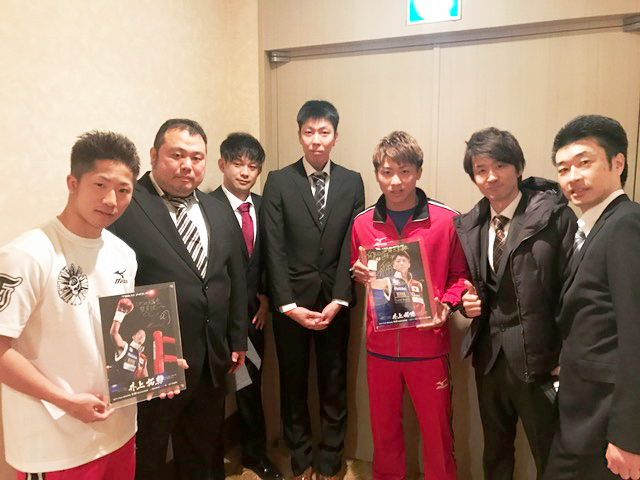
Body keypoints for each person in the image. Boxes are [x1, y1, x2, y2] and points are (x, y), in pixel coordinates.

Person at [109, 119, 248, 480]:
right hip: (153, 362)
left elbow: (235, 276)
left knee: (204, 448)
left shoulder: (217, 208)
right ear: (154, 155)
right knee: (150, 454)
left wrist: (237, 338)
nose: (188, 165)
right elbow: (111, 284)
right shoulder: (126, 206)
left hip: (211, 358)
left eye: (197, 157)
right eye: (177, 155)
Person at [0, 131, 140, 479]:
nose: (111, 200)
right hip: (54, 444)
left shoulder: (124, 254)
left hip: (120, 430)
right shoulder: (27, 255)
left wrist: (156, 369)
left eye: (124, 190)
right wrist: (65, 401)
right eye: (100, 185)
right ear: (72, 183)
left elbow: (118, 334)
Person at [453, 127, 576, 480]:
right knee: (495, 450)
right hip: (489, 356)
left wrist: (566, 354)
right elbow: (469, 283)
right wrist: (465, 302)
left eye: (500, 166)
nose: (491, 177)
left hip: (540, 357)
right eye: (481, 170)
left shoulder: (554, 216)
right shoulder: (471, 224)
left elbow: (573, 288)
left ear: (519, 167)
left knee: (549, 451)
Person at [351, 130, 467, 480]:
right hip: (381, 348)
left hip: (428, 346)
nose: (396, 181)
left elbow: (460, 277)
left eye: (404, 171)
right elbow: (358, 269)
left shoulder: (447, 220)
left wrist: (447, 304)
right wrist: (357, 272)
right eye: (387, 172)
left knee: (437, 435)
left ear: (418, 172)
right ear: (377, 174)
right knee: (384, 433)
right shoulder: (362, 223)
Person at [261, 100, 365, 480]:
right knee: (292, 384)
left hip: (335, 302)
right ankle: (301, 459)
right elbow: (273, 247)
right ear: (299, 135)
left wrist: (340, 298)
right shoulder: (278, 180)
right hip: (290, 305)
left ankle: (330, 461)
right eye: (309, 132)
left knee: (334, 383)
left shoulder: (352, 181)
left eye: (324, 132)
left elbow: (351, 243)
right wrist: (287, 305)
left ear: (335, 136)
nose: (316, 140)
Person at [543, 115, 640, 480]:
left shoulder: (626, 225)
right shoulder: (592, 227)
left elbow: (636, 333)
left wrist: (629, 436)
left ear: (618, 163)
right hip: (583, 406)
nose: (573, 177)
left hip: (604, 416)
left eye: (584, 162)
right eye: (563, 169)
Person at [210, 132, 283, 480]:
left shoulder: (265, 206)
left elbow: (270, 258)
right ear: (222, 164)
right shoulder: (206, 206)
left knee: (251, 388)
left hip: (254, 316)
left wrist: (266, 296)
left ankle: (256, 455)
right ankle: (210, 463)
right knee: (212, 394)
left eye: (252, 166)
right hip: (216, 319)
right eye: (237, 164)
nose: (244, 172)